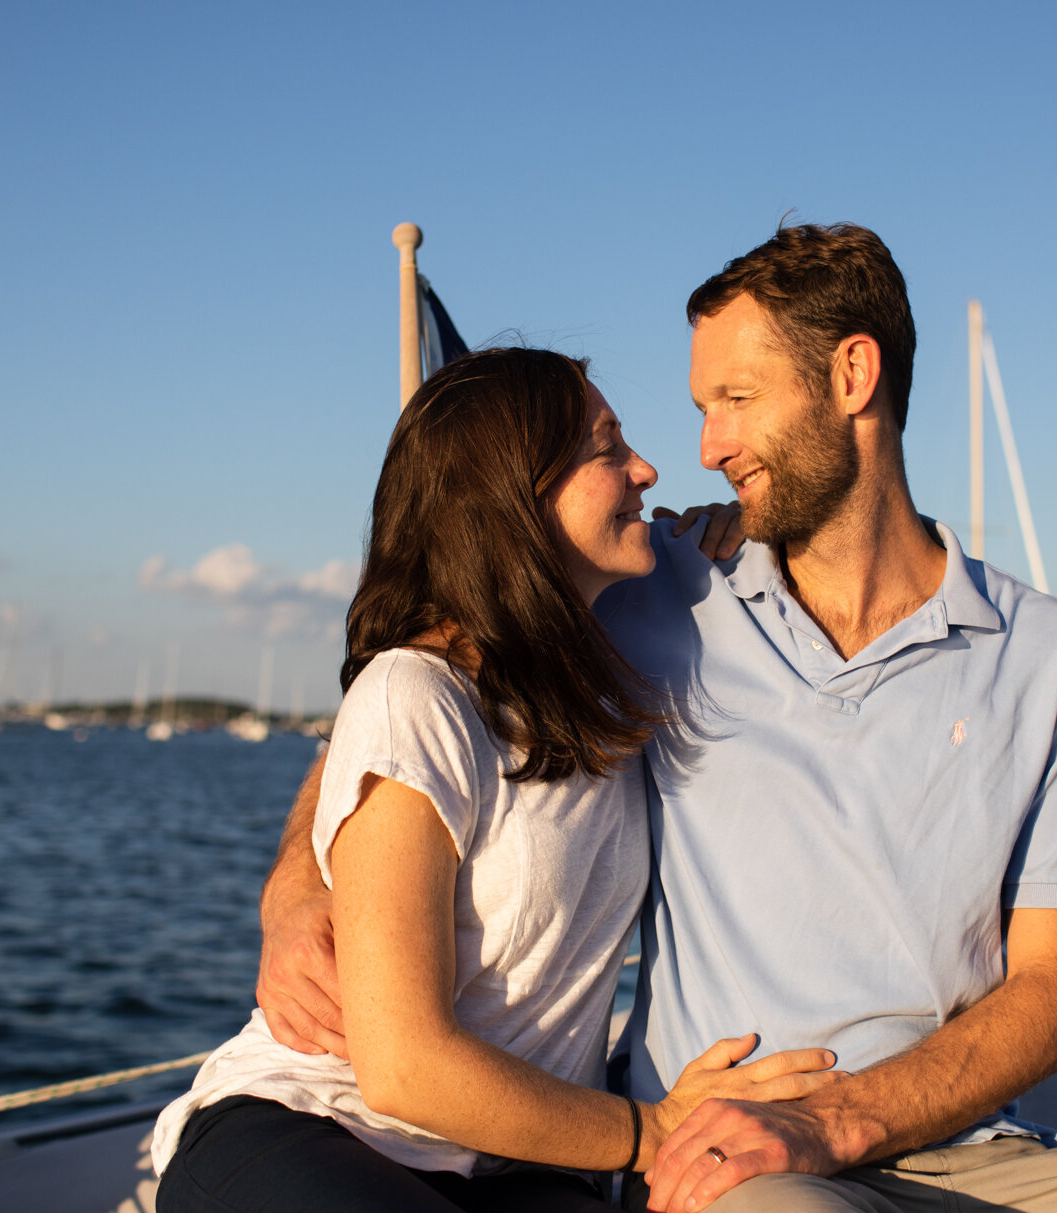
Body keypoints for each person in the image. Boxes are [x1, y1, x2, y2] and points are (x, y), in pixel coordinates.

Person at [258, 226, 1057, 1213]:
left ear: (851, 376)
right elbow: (421, 676)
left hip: (976, 1151)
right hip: (726, 1152)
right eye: (696, 410)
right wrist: (297, 889)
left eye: (734, 398)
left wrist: (841, 1119)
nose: (706, 446)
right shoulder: (653, 593)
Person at [153, 347, 837, 1213]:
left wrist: (734, 532)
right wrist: (651, 1129)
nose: (647, 468)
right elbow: (403, 1066)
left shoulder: (607, 662)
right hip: (328, 1126)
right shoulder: (418, 693)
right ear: (514, 496)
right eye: (605, 448)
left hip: (520, 1166)